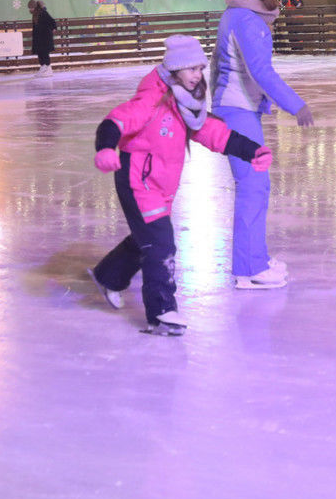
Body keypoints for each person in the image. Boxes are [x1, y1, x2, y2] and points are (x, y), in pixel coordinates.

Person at [88, 36, 273, 335]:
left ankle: (109, 275)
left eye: (199, 68)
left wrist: (252, 151)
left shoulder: (187, 103)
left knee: (146, 237)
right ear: (174, 69)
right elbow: (117, 121)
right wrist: (106, 148)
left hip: (161, 183)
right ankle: (162, 313)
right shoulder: (152, 98)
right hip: (138, 181)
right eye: (190, 69)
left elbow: (215, 133)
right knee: (161, 243)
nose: (197, 75)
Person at [211, 0, 313, 290]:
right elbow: (261, 72)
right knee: (253, 186)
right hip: (236, 112)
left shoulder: (243, 13)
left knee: (257, 184)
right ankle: (249, 269)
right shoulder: (245, 18)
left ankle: (255, 257)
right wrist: (295, 104)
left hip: (239, 110)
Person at [28, 0, 57, 76]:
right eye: (29, 8)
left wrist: (54, 28)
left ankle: (47, 68)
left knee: (44, 52)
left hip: (45, 37)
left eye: (31, 8)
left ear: (35, 7)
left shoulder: (42, 13)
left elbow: (52, 21)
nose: (30, 9)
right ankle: (45, 67)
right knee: (40, 52)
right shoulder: (35, 14)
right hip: (39, 38)